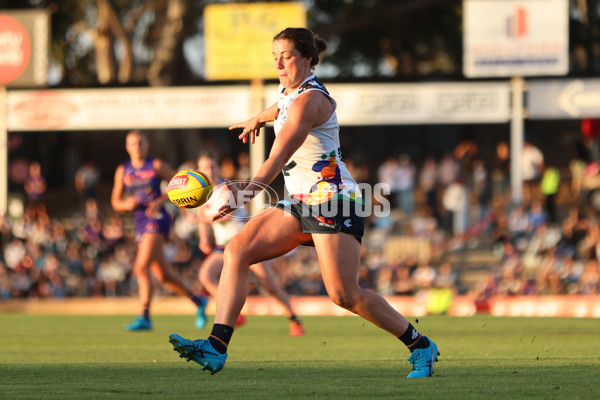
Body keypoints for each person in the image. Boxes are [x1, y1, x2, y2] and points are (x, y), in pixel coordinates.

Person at [168, 28, 439, 378]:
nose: (279, 63)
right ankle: (216, 346)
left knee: (343, 294)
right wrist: (257, 118)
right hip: (299, 201)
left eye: (287, 56)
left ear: (309, 59)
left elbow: (278, 155)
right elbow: (280, 106)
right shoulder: (290, 93)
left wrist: (245, 194)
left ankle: (420, 345)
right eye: (275, 57)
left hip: (333, 201)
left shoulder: (311, 100)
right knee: (236, 250)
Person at [193, 152, 304, 336]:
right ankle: (234, 316)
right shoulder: (201, 194)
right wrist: (204, 237)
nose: (209, 170)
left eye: (212, 166)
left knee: (268, 284)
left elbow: (223, 216)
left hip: (245, 243)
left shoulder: (226, 187)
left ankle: (294, 318)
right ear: (199, 171)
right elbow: (203, 219)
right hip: (223, 247)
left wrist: (198, 220)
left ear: (217, 168)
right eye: (205, 167)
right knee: (205, 275)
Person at [111, 130, 207, 331]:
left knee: (140, 267)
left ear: (146, 145)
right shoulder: (123, 170)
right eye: (133, 143)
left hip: (157, 219)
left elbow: (181, 188)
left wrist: (161, 199)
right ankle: (199, 302)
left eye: (140, 143)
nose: (137, 146)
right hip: (139, 221)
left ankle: (145, 315)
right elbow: (115, 202)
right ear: (127, 147)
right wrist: (127, 204)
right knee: (163, 275)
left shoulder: (156, 165)